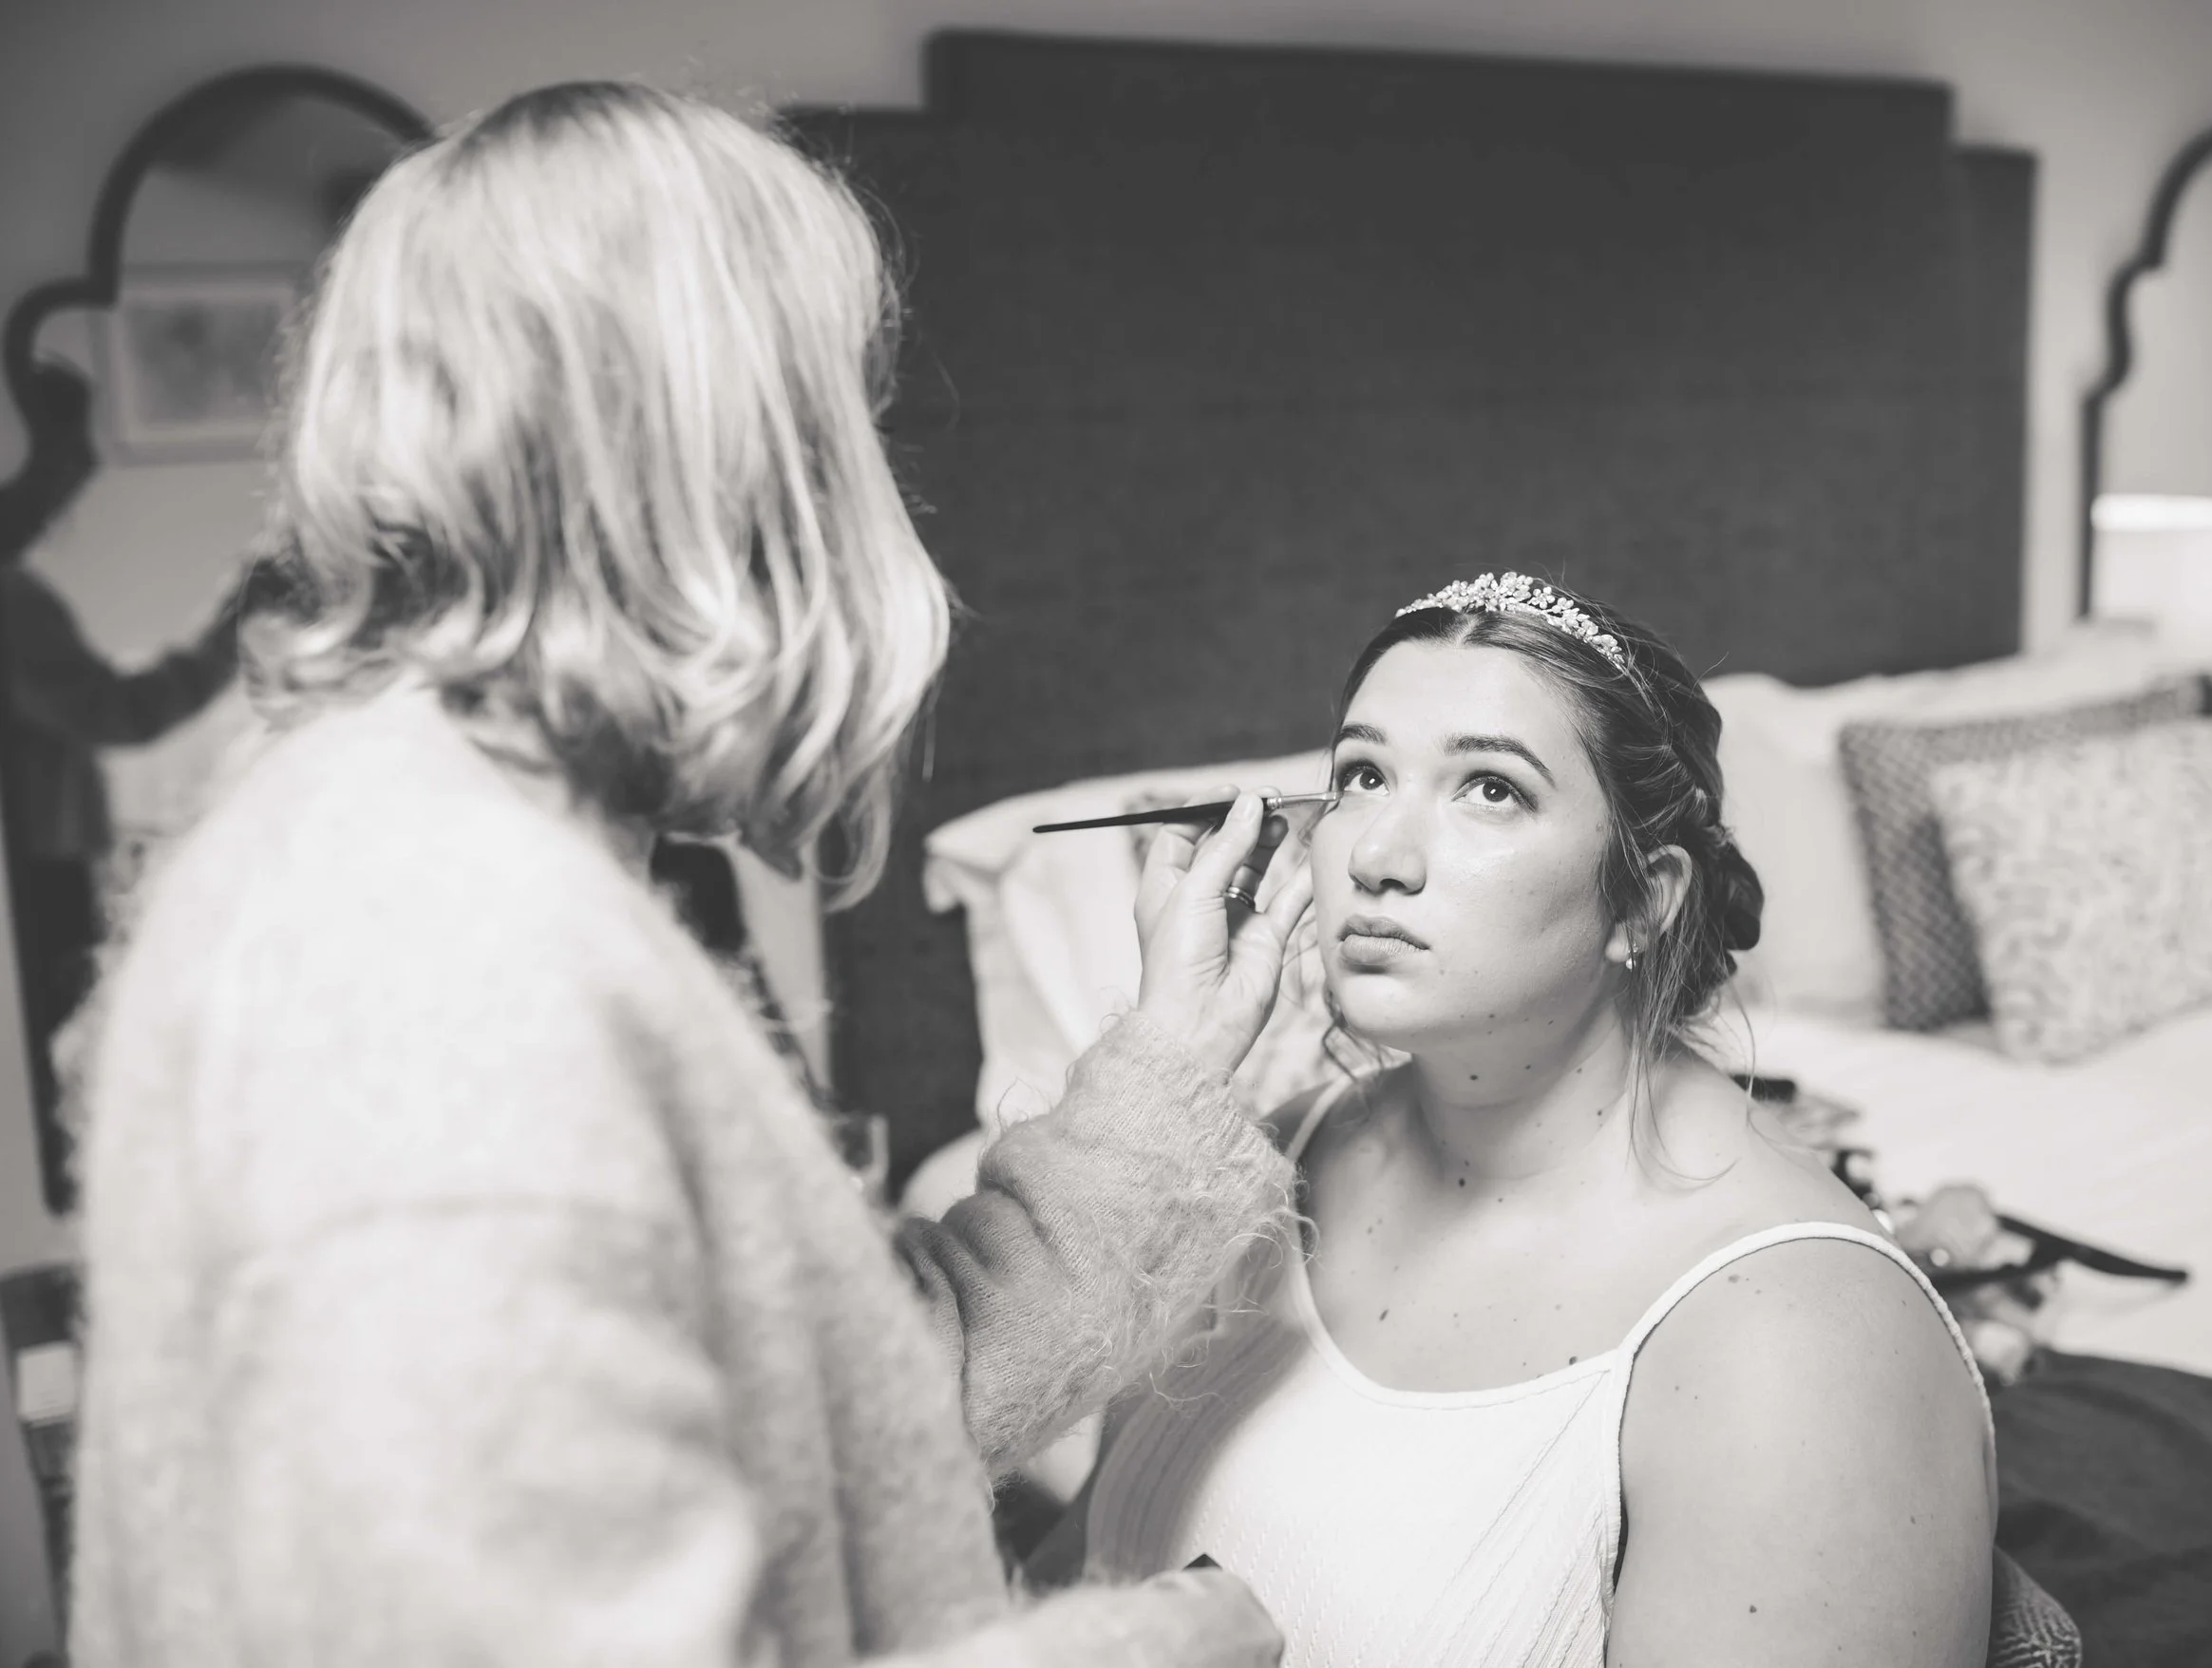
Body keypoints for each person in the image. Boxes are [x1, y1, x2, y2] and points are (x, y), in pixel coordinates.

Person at [67, 82, 1317, 1667]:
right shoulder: (416, 948)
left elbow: (850, 1399)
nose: (869, 480)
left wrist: (1170, 1078)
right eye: (839, 412)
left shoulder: (478, 862)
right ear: (738, 464)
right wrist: (1152, 1648)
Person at [1036, 574, 1999, 1666]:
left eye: (1488, 788)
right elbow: (1083, 1557)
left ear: (1645, 898)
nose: (1376, 856)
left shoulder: (1798, 1341)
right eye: (1361, 774)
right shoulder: (1264, 1158)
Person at [0, 364, 243, 1209]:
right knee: (58, 1067)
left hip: (38, 852)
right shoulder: (9, 596)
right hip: (35, 860)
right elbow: (121, 712)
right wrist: (229, 631)